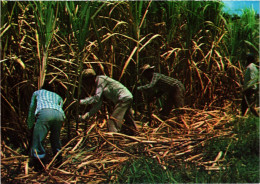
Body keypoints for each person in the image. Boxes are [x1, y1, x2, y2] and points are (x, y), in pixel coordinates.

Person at [79, 69, 137, 135]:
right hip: (126, 97)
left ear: (91, 77)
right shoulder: (98, 86)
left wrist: (81, 102)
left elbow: (96, 98)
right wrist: (85, 116)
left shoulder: (100, 80)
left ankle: (114, 138)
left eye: (86, 80)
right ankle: (134, 133)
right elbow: (97, 105)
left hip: (123, 98)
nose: (86, 83)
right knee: (128, 118)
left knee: (113, 122)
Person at [27, 81, 65, 171]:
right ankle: (59, 160)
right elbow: (61, 107)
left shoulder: (37, 92)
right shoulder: (58, 96)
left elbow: (32, 108)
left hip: (45, 112)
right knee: (55, 138)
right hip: (59, 114)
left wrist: (29, 125)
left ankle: (38, 164)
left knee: (38, 139)